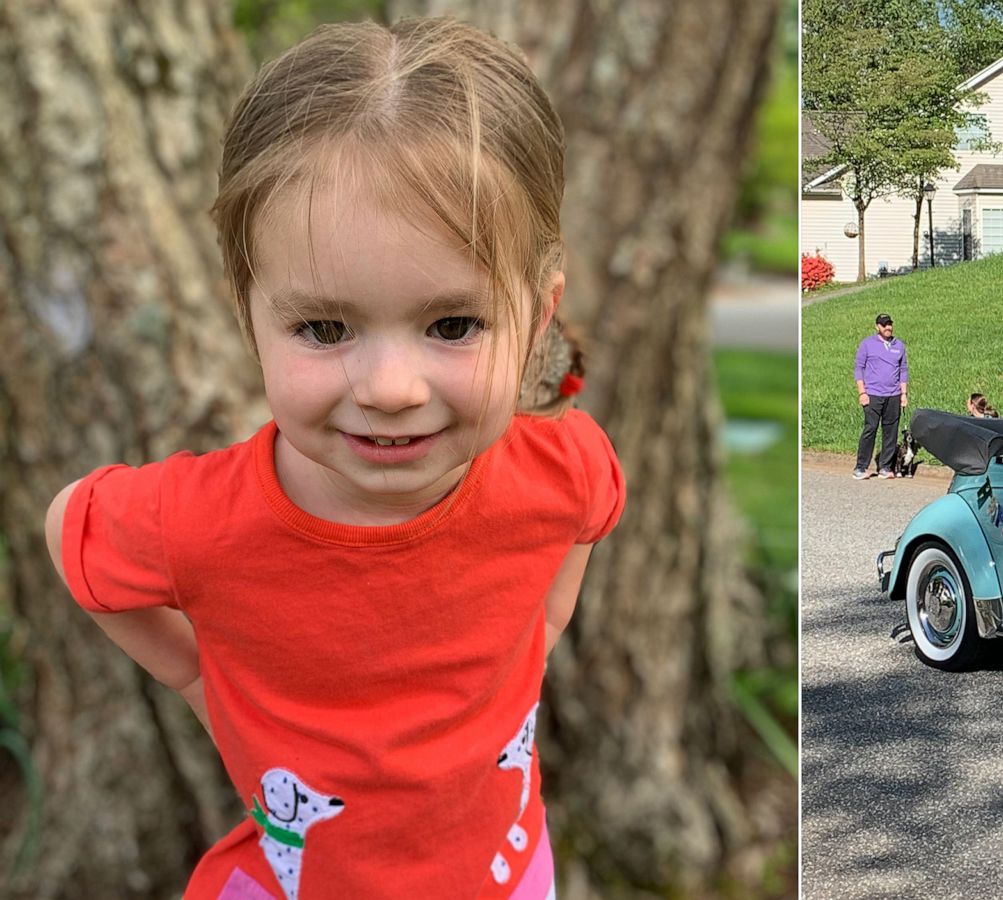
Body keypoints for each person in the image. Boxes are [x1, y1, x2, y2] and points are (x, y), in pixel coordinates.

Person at [40, 19, 625, 899]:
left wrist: (536, 639)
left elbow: (591, 505)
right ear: (250, 314)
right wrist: (200, 677)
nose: (390, 386)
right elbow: (71, 531)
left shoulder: (561, 467)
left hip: (509, 875)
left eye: (452, 325)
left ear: (539, 315)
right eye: (324, 328)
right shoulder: (199, 521)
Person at [854, 312, 908, 478]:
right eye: (884, 325)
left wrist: (903, 394)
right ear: (877, 327)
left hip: (893, 395)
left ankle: (885, 467)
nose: (888, 327)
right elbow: (859, 368)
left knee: (891, 431)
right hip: (872, 394)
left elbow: (903, 370)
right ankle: (860, 467)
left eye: (890, 324)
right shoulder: (867, 344)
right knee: (870, 429)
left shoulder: (899, 345)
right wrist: (862, 392)